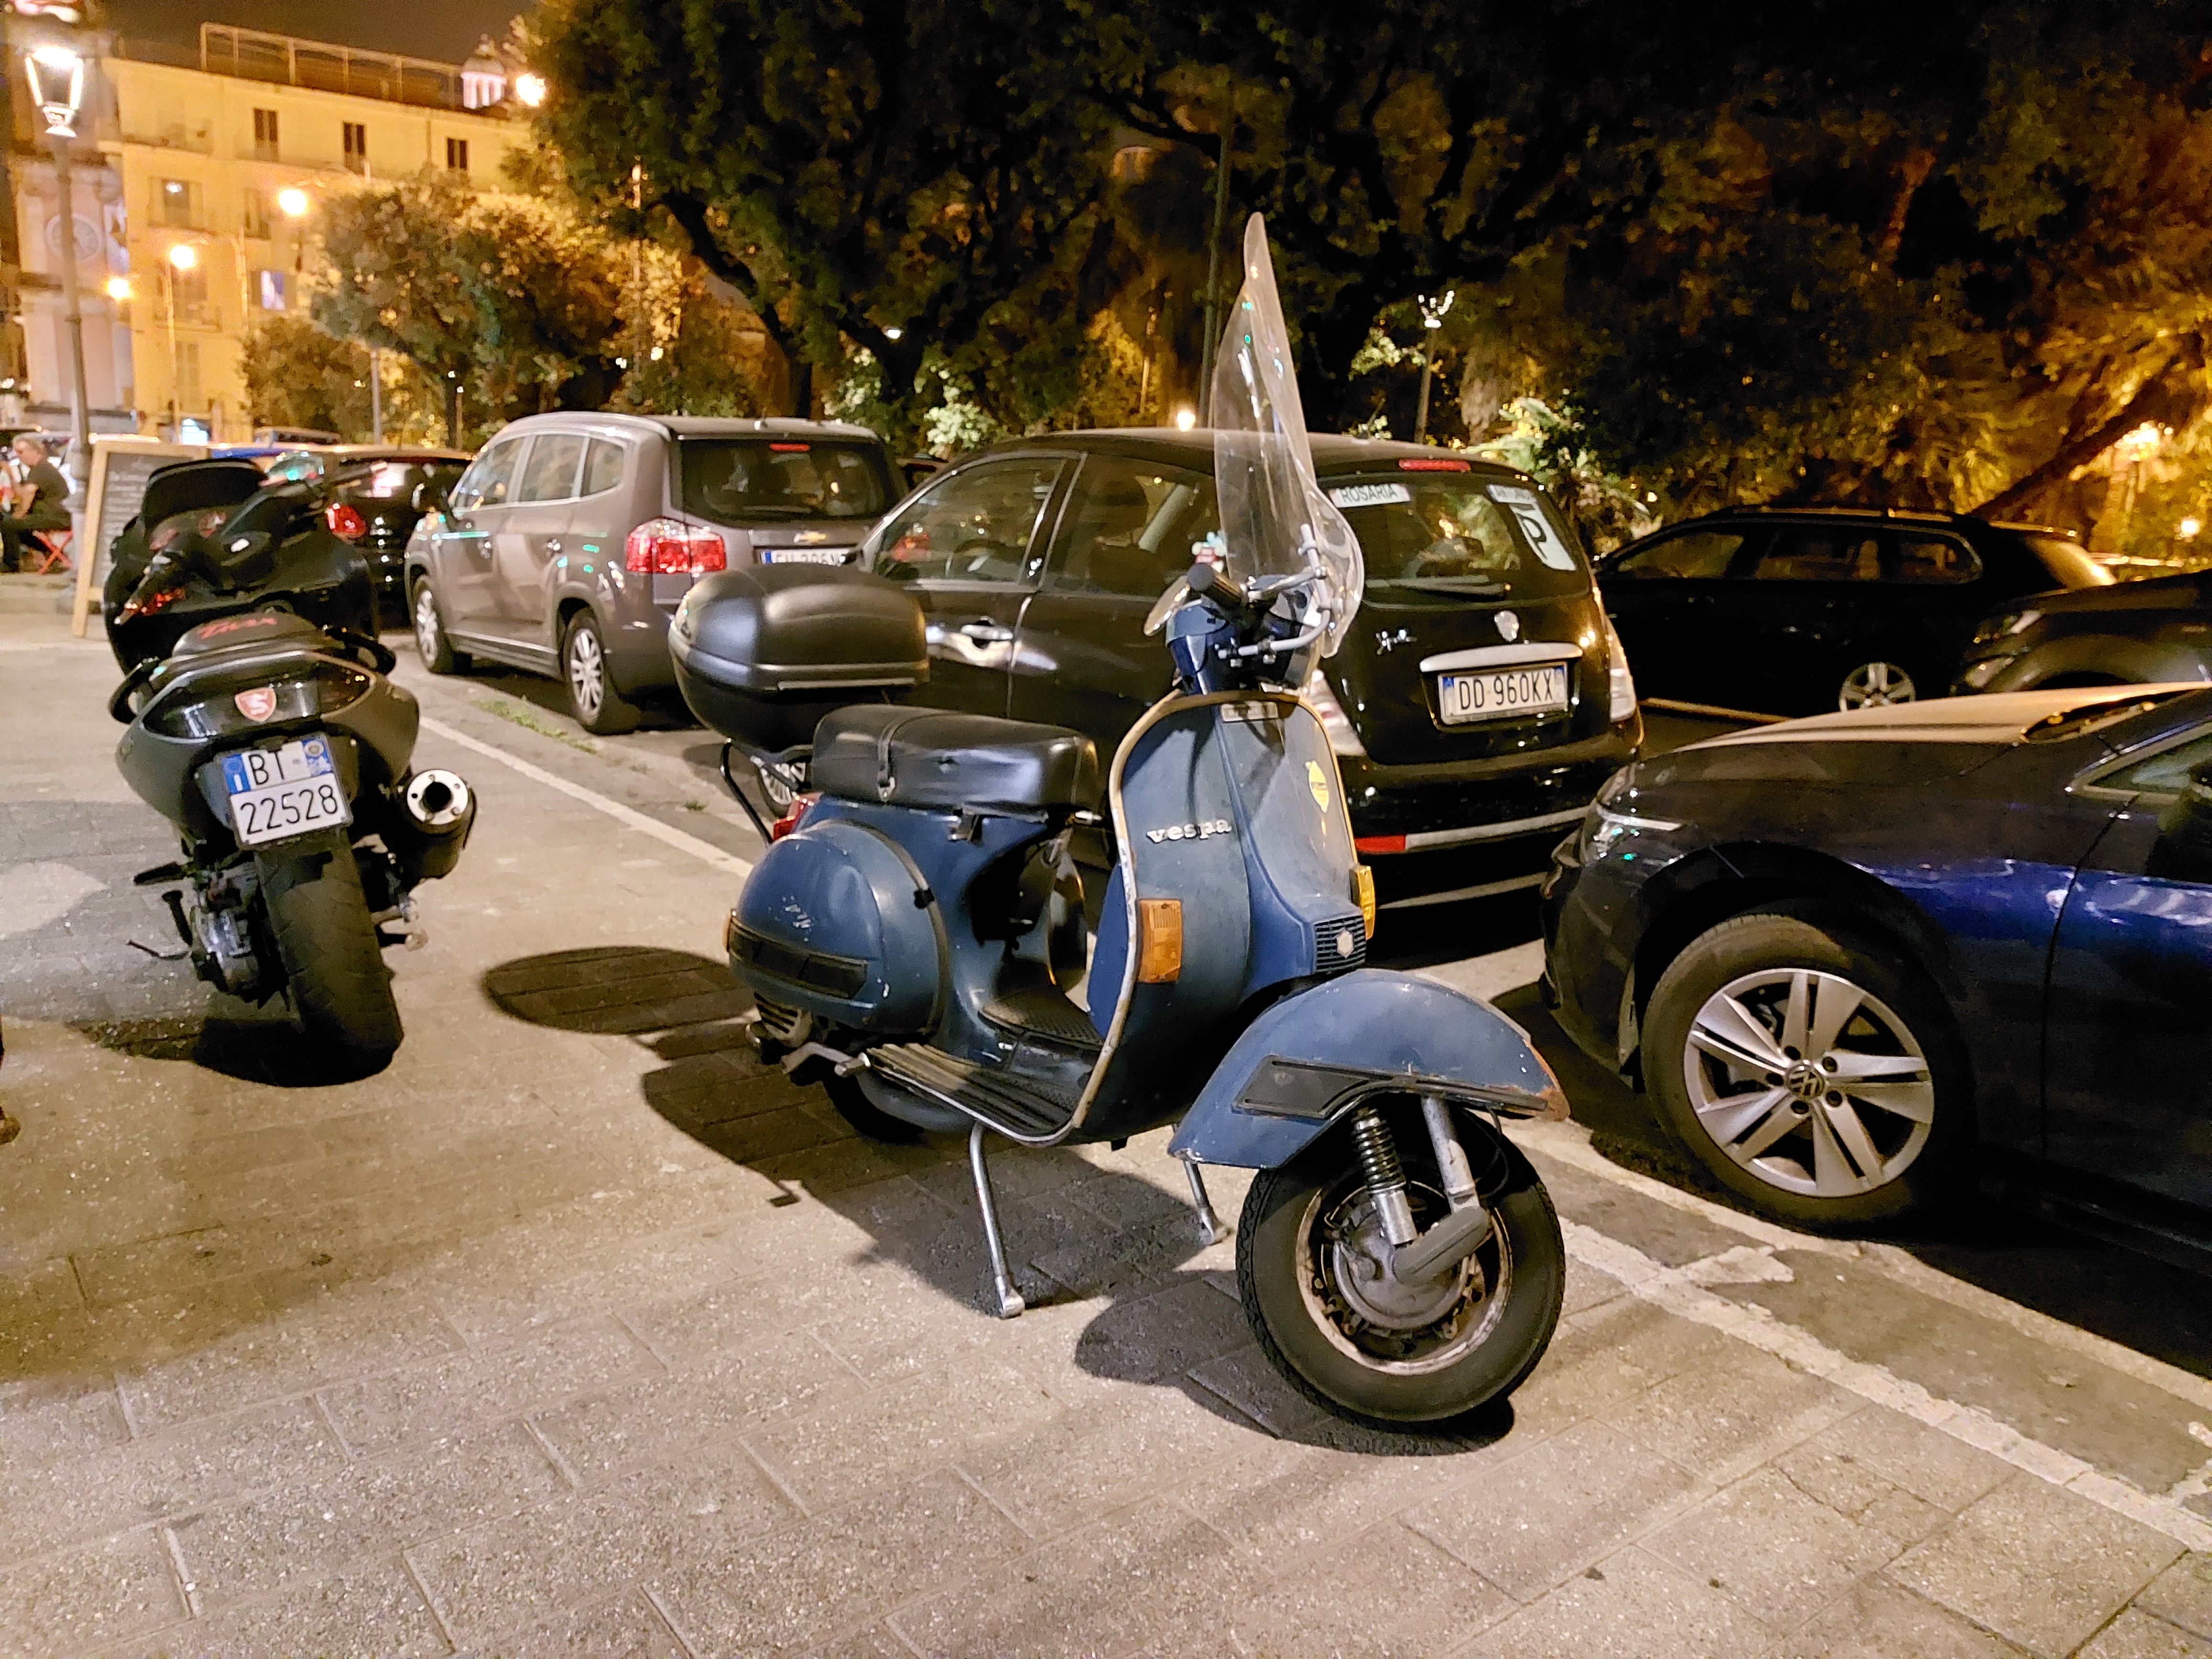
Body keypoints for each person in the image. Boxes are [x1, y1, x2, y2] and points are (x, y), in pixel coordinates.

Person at [0, 434, 69, 572]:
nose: (18, 456)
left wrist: (18, 515)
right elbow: (23, 493)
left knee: (9, 524)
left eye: (21, 452)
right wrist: (11, 476)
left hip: (56, 516)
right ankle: (51, 553)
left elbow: (27, 497)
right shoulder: (39, 469)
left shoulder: (42, 470)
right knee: (12, 524)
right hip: (51, 515)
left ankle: (11, 564)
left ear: (35, 451)